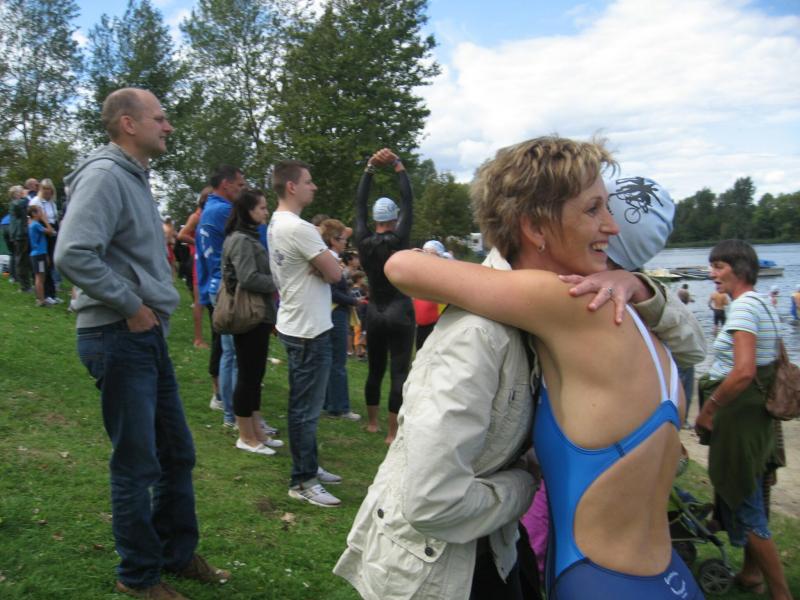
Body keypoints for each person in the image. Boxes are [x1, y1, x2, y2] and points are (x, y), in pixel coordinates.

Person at [335, 137, 704, 599]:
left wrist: (637, 284)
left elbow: (690, 340)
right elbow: (432, 501)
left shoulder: (573, 310)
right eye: (594, 209)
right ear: (535, 227)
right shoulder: (479, 335)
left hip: (499, 549)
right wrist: (527, 480)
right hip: (439, 573)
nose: (611, 227)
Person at [54, 87, 229, 599]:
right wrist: (131, 305)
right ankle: (138, 577)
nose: (168, 125)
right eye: (160, 117)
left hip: (140, 336)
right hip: (118, 333)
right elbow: (72, 253)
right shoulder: (106, 176)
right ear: (129, 123)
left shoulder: (132, 176)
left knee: (175, 452)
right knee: (136, 463)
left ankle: (176, 553)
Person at [694, 240, 792, 600]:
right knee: (753, 491)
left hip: (739, 419)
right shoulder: (763, 303)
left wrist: (708, 409)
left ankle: (781, 594)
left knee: (748, 506)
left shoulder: (744, 308)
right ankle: (751, 575)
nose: (712, 274)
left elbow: (744, 371)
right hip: (756, 419)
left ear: (740, 268)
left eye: (718, 266)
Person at [268, 159, 345, 507]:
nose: (314, 186)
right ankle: (303, 481)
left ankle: (309, 465)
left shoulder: (277, 222)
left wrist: (323, 263)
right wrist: (327, 263)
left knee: (304, 407)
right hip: (308, 330)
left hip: (297, 323)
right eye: (309, 181)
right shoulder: (300, 228)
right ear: (291, 187)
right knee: (305, 410)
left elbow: (326, 269)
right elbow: (336, 274)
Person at [354, 147, 414, 443]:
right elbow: (408, 200)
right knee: (399, 372)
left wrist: (369, 168)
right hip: (400, 309)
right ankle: (392, 433)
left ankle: (372, 423)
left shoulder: (362, 239)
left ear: (375, 218)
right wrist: (398, 165)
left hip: (375, 310)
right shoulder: (399, 238)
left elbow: (359, 204)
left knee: (375, 370)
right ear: (394, 217)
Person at [220, 189, 283, 455]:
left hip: (259, 314)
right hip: (249, 314)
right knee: (248, 376)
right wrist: (279, 282)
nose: (266, 212)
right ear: (248, 211)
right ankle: (246, 436)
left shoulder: (248, 237)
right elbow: (247, 278)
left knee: (255, 376)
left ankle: (257, 431)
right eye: (262, 208)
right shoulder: (241, 240)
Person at [197, 165, 247, 427]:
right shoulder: (225, 211)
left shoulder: (208, 210)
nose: (243, 190)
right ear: (226, 184)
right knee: (235, 355)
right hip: (228, 286)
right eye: (240, 185)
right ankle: (238, 415)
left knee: (229, 353)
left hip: (216, 284)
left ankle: (231, 413)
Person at [319, 218, 363, 421]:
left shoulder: (327, 257)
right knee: (338, 361)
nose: (346, 242)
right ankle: (340, 407)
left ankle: (329, 402)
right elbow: (333, 292)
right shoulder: (331, 260)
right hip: (335, 312)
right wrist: (354, 301)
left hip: (330, 312)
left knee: (330, 360)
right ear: (333, 240)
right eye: (343, 239)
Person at [176, 187, 212, 349]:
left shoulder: (208, 214)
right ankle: (198, 339)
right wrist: (199, 242)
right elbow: (181, 235)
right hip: (198, 261)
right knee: (199, 301)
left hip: (207, 260)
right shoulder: (196, 216)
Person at [412, 240, 450, 350]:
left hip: (437, 321)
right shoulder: (420, 271)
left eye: (430, 252)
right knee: (421, 350)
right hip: (422, 322)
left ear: (439, 256)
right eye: (424, 251)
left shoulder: (442, 271)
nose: (426, 255)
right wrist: (411, 254)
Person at [29, 178, 61, 301]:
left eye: (49, 189)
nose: (47, 191)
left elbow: (54, 219)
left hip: (52, 232)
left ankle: (51, 293)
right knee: (43, 267)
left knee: (51, 263)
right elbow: (32, 220)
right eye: (45, 189)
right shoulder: (35, 202)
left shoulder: (52, 203)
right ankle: (45, 295)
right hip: (43, 234)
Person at [27, 204, 55, 307]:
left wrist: (46, 254)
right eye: (40, 211)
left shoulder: (34, 224)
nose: (42, 213)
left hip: (40, 254)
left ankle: (40, 298)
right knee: (40, 278)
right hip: (39, 255)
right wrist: (45, 220)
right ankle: (41, 300)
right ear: (34, 213)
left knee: (41, 277)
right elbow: (51, 231)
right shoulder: (36, 225)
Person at [8, 184, 32, 293]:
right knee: (21, 261)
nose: (22, 193)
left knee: (24, 260)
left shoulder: (18, 203)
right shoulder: (15, 203)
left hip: (21, 234)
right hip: (19, 235)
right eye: (20, 192)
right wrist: (26, 197)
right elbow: (21, 204)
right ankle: (24, 286)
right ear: (15, 194)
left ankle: (26, 285)